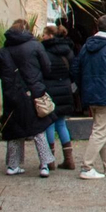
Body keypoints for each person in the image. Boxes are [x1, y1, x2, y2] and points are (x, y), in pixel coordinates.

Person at [0, 19, 56, 177]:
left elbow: (1, 73)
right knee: (38, 129)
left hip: (11, 94)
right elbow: (47, 67)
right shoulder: (35, 45)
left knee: (14, 130)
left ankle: (12, 165)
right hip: (33, 91)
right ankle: (44, 164)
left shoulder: (4, 50)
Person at [73, 13, 106, 180]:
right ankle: (86, 166)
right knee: (100, 131)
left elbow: (76, 68)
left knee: (103, 129)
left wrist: (83, 86)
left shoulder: (86, 45)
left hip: (90, 91)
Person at [39, 24, 77, 171]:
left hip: (49, 89)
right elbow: (73, 69)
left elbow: (42, 70)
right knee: (61, 123)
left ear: (50, 36)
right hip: (65, 88)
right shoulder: (68, 50)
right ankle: (69, 160)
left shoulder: (43, 50)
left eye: (44, 34)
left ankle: (50, 161)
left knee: (49, 123)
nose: (42, 37)